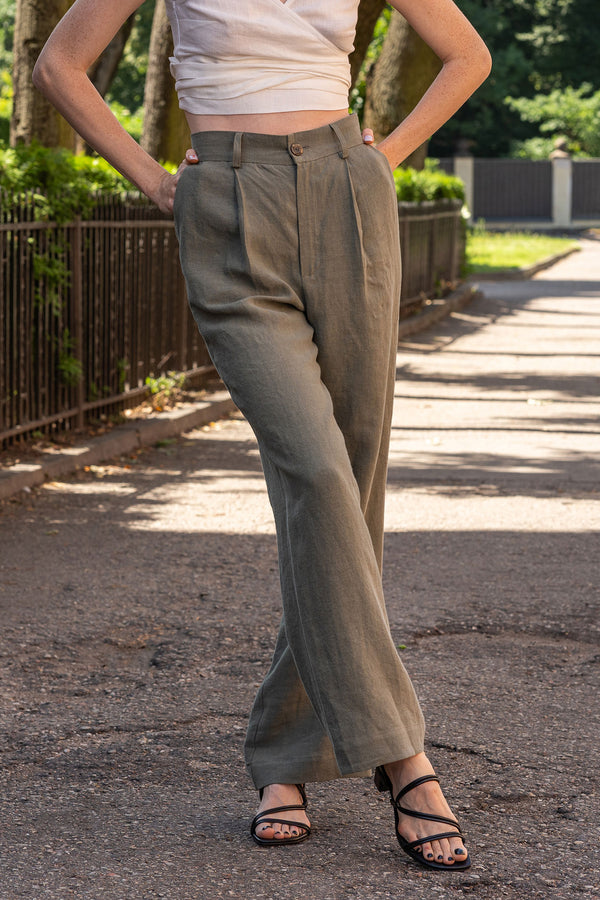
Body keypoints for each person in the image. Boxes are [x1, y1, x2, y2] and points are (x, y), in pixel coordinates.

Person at [34, 0, 491, 871]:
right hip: (228, 201)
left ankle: (284, 757)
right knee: (317, 473)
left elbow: (467, 55)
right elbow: (59, 65)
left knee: (349, 492)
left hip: (348, 192)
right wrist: (156, 180)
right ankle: (405, 756)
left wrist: (383, 157)